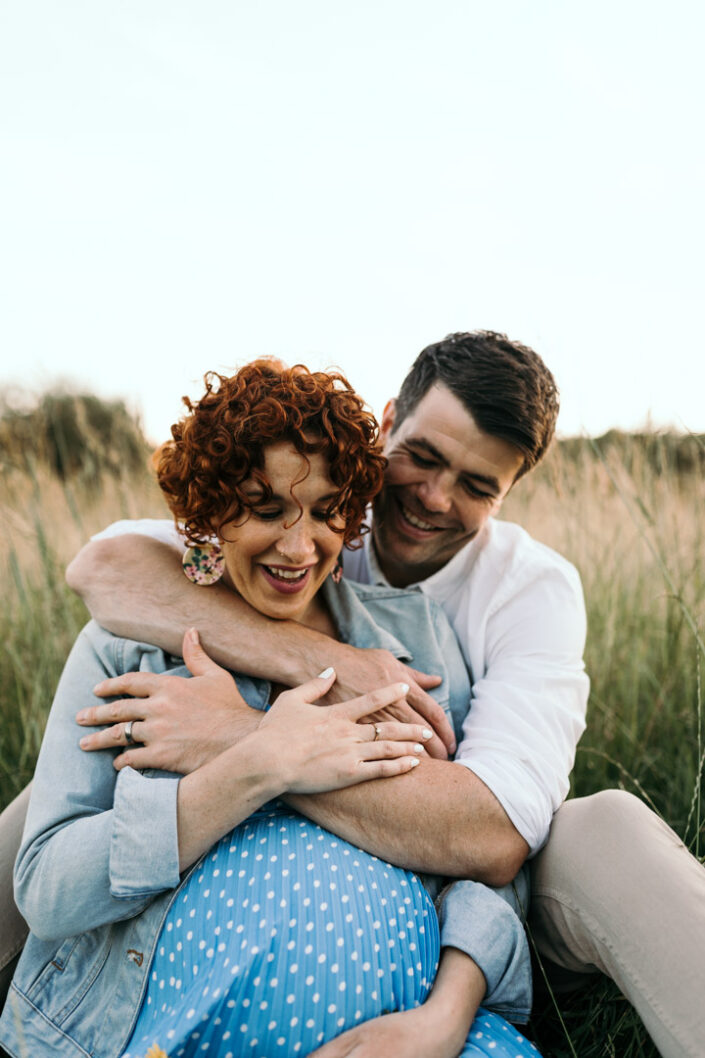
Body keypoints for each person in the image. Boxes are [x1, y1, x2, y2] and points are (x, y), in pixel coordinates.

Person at [63, 330, 705, 1058]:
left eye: (476, 486)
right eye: (423, 458)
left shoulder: (529, 588)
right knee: (106, 731)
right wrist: (330, 664)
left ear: (509, 491)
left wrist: (244, 738)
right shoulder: (319, 494)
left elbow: (492, 836)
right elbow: (108, 570)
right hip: (271, 845)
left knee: (609, 828)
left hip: (478, 874)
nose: (432, 499)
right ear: (390, 417)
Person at [0, 361, 539, 1058]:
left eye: (323, 511)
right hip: (159, 1031)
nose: (297, 545)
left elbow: (481, 870)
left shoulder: (413, 640)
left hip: (404, 1034)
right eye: (263, 508)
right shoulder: (123, 648)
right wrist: (256, 763)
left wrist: (442, 1016)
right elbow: (47, 889)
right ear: (207, 511)